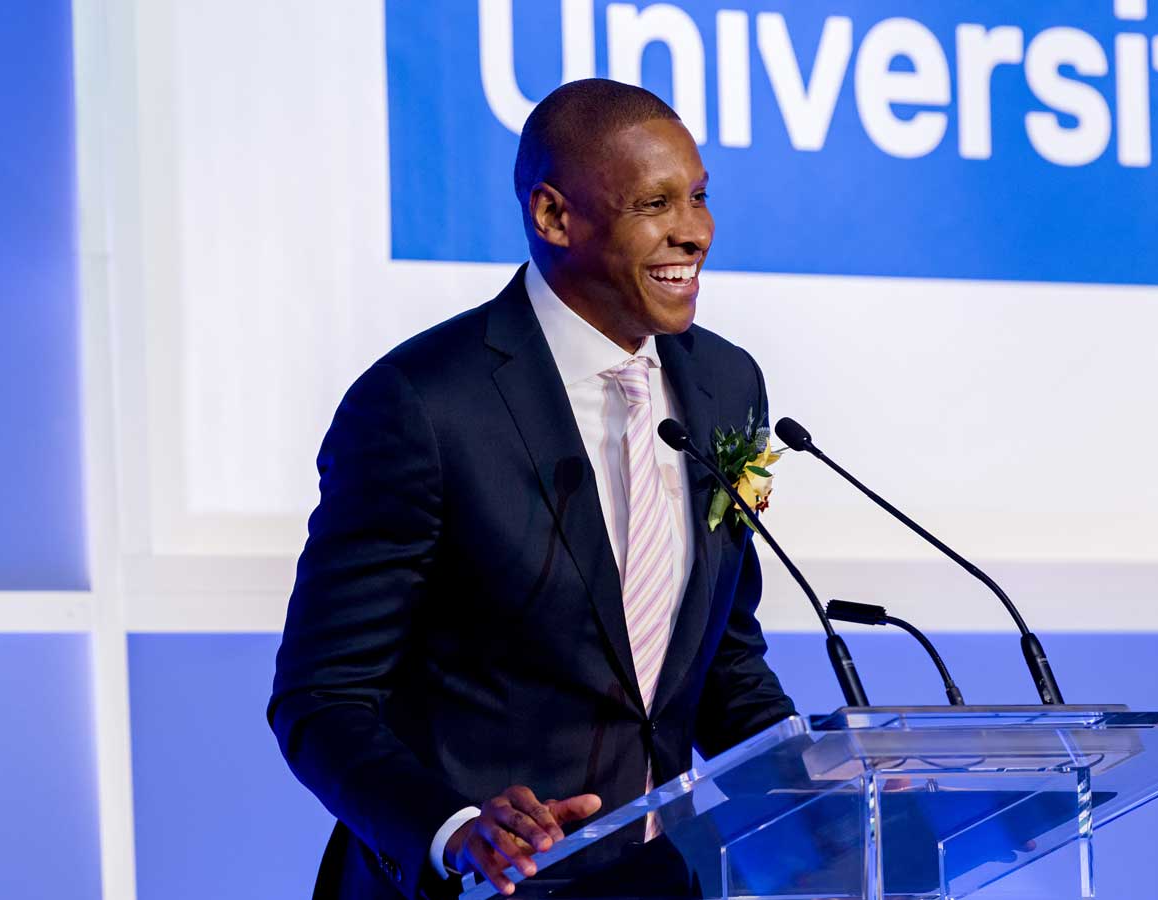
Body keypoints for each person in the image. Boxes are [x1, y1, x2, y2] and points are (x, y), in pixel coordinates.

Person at [269, 78, 796, 900]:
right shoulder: (423, 405)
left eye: (697, 197)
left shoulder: (728, 386)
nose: (694, 232)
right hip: (472, 888)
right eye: (656, 204)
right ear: (555, 216)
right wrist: (452, 829)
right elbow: (321, 698)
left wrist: (816, 784)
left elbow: (718, 658)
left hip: (659, 881)